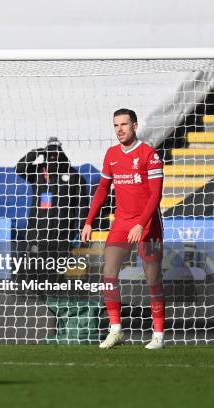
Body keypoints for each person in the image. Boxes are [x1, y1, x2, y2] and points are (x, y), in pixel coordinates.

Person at [81, 108, 164, 350]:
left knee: (152, 278)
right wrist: (89, 221)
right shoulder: (112, 154)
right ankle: (116, 330)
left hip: (148, 223)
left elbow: (155, 195)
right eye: (116, 125)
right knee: (108, 273)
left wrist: (141, 223)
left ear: (135, 126)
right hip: (122, 222)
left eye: (124, 125)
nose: (120, 130)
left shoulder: (150, 154)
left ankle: (158, 334)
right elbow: (102, 190)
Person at [15, 137, 89, 279]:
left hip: (63, 234)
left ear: (62, 154)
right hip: (38, 233)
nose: (53, 157)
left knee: (59, 272)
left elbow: (82, 206)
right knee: (36, 270)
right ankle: (35, 295)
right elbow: (19, 168)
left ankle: (59, 294)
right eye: (50, 154)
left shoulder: (74, 176)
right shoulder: (38, 172)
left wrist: (81, 229)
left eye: (56, 154)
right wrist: (36, 152)